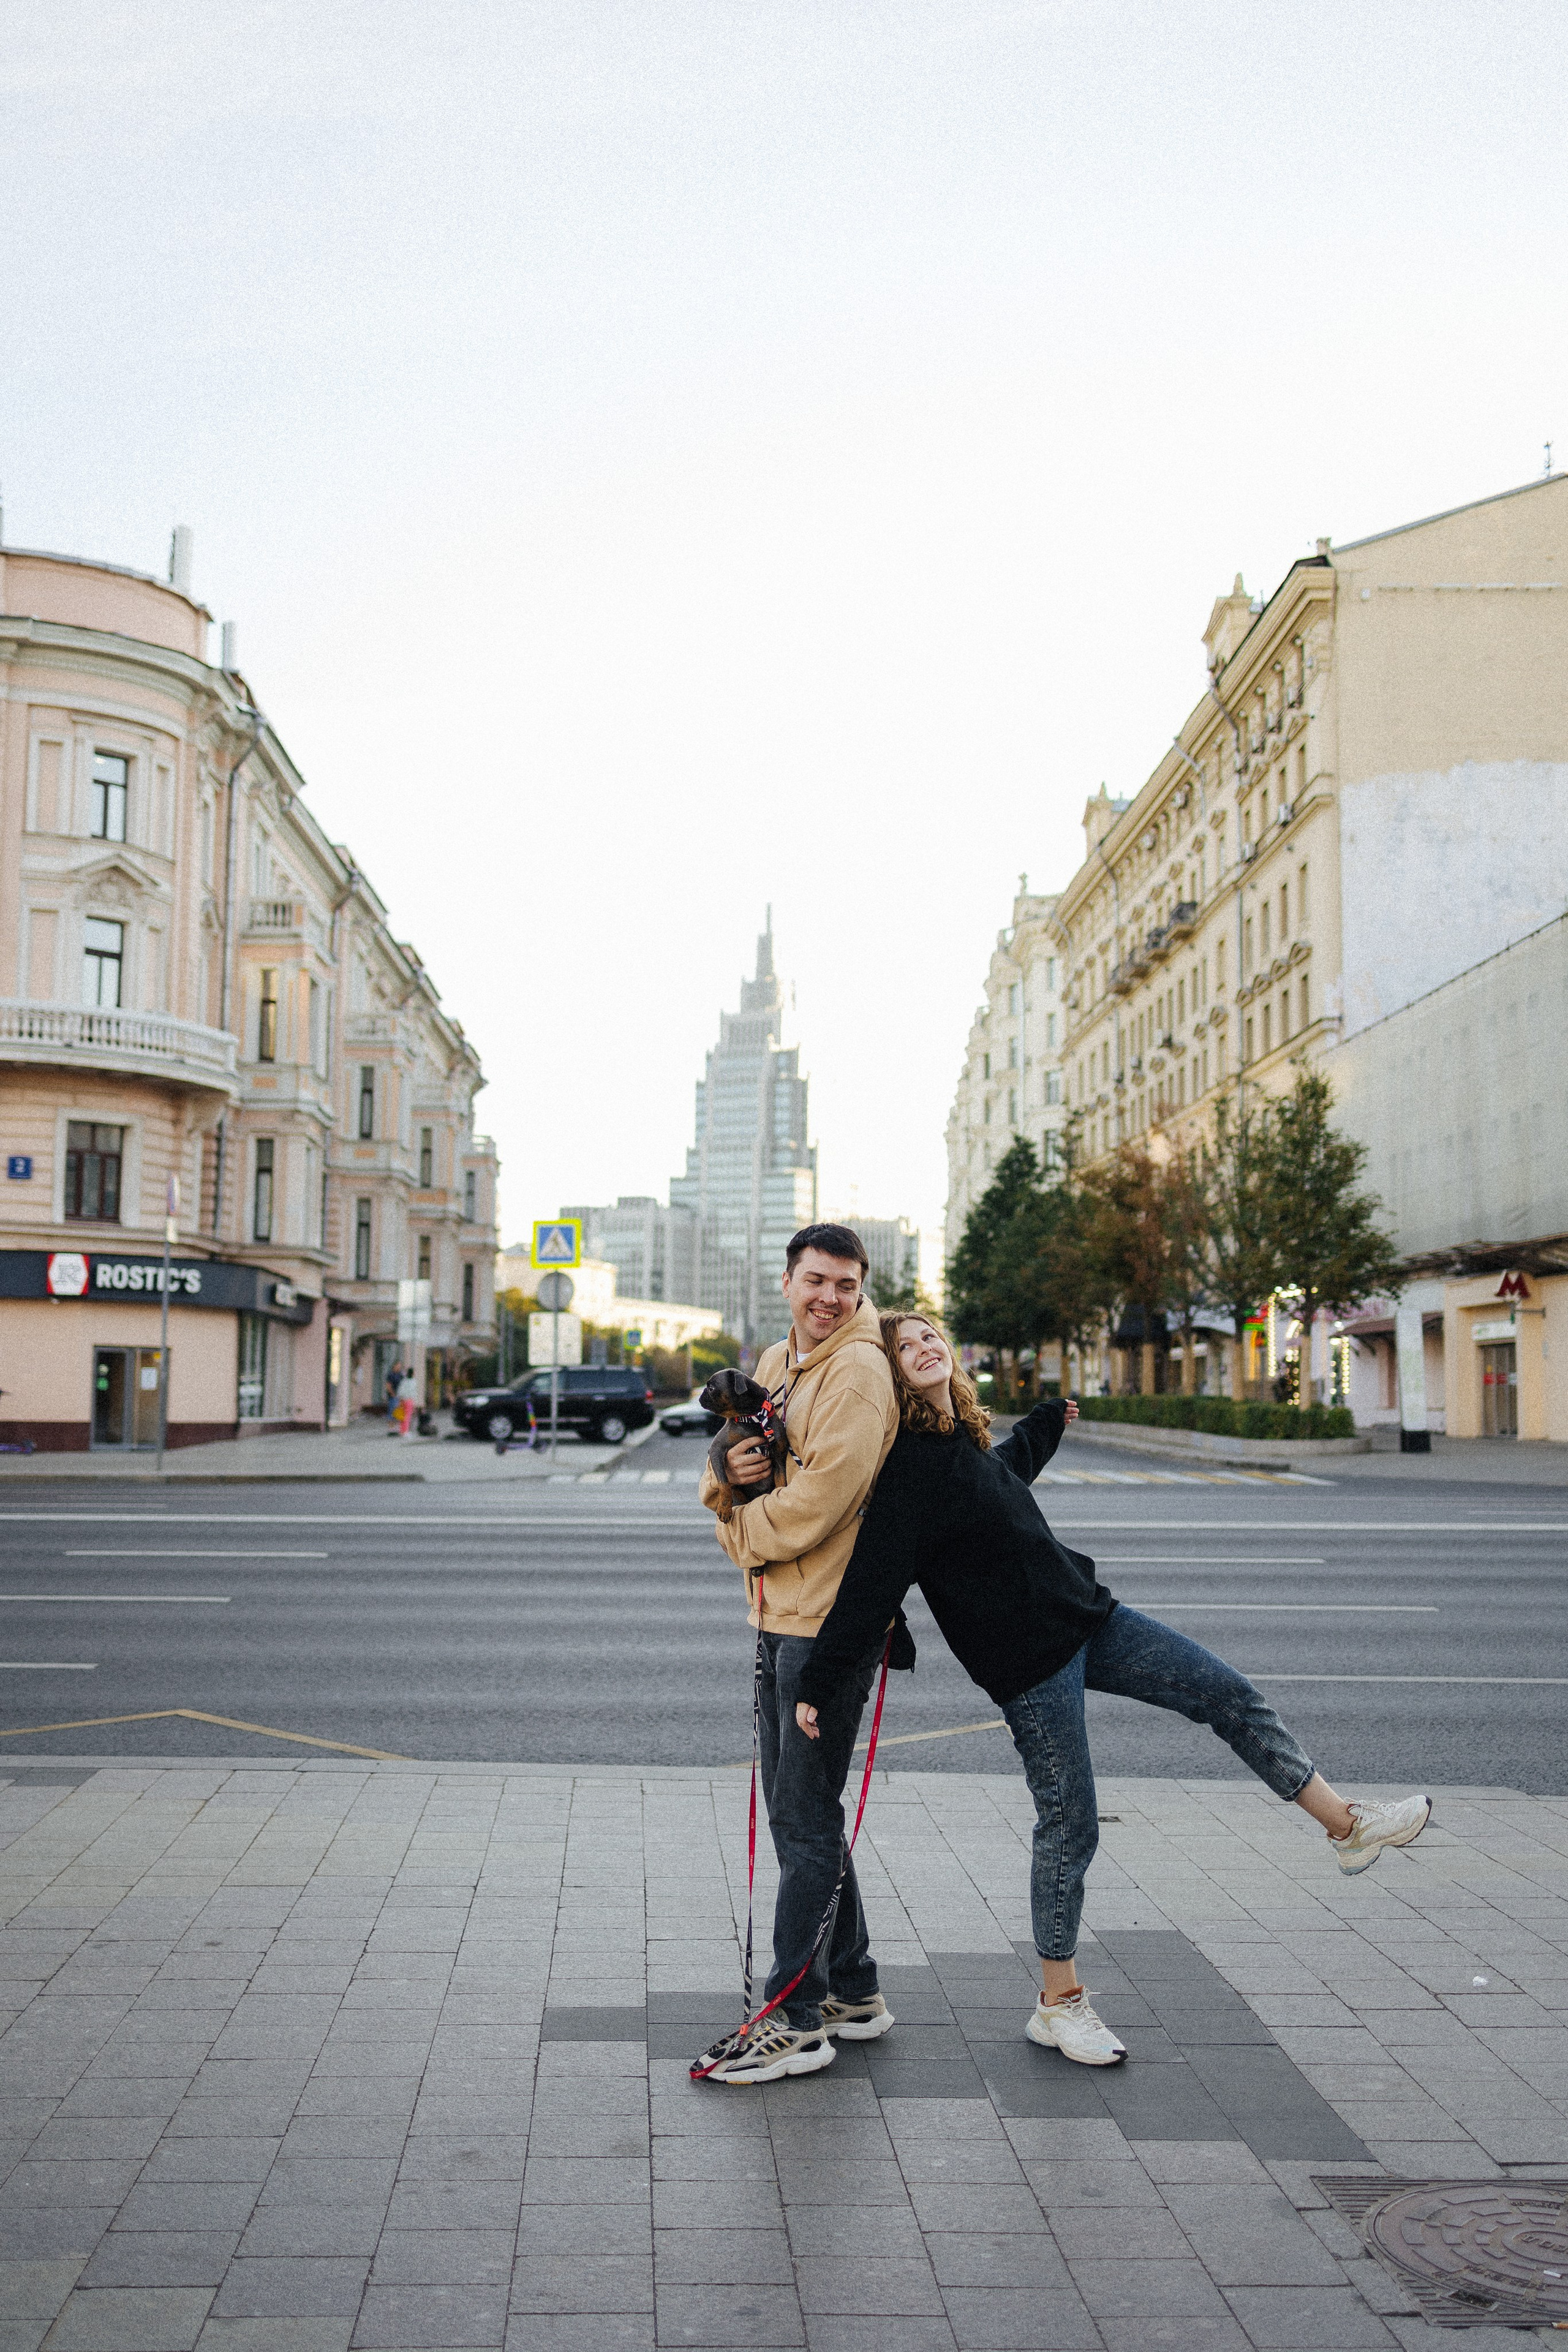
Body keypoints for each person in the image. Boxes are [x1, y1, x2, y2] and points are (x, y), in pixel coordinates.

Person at [796, 1313, 1431, 2068]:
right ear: (891, 1376)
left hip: (1092, 1619)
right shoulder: (907, 1469)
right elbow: (871, 1585)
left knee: (1228, 1693)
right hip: (1030, 1666)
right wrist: (821, 1679)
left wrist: (1044, 1423)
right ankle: (1059, 2005)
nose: (926, 1347)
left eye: (931, 1336)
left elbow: (1004, 1476)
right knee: (1071, 1826)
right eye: (906, 1346)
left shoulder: (962, 1442)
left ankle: (1346, 1827)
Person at [695, 1224, 903, 2084]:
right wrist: (727, 1478)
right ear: (787, 1282)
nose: (830, 1298)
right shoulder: (784, 1362)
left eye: (846, 1286)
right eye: (816, 1281)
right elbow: (745, 1460)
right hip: (784, 1614)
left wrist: (740, 1531)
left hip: (828, 1629)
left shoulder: (857, 1373)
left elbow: (819, 1503)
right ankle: (852, 1992)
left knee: (805, 1819)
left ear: (860, 1291)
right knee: (800, 1814)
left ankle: (794, 2017)